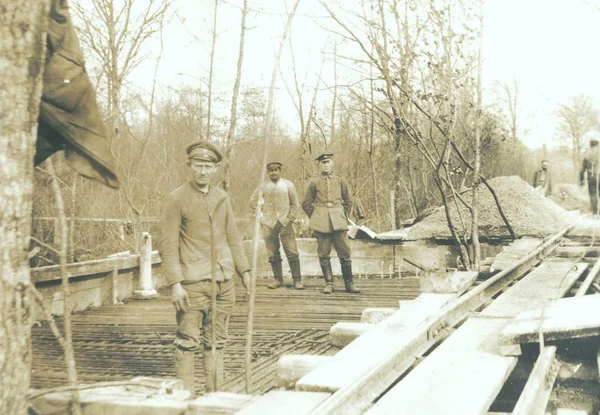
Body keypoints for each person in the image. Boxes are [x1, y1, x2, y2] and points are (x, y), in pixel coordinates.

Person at [158, 140, 251, 395]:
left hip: (224, 283)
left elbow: (233, 236)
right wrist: (175, 285)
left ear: (215, 169)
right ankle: (184, 402)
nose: (203, 172)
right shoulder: (176, 199)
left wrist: (245, 271)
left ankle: (214, 399)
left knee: (217, 343)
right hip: (192, 284)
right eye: (198, 166)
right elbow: (167, 245)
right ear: (189, 166)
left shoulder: (222, 198)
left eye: (208, 167)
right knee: (188, 342)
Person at [302, 151, 360, 294]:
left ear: (332, 163)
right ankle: (329, 283)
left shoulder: (340, 180)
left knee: (345, 253)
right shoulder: (314, 181)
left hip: (339, 221)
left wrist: (342, 215)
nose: (325, 165)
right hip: (321, 223)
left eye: (328, 162)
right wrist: (316, 216)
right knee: (323, 253)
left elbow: (349, 201)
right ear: (319, 164)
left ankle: (349, 283)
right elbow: (306, 203)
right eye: (323, 163)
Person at [249, 161, 304, 290]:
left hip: (285, 222)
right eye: (271, 170)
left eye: (276, 170)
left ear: (280, 171)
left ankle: (297, 280)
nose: (274, 173)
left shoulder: (288, 185)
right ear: (268, 172)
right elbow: (252, 202)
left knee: (292, 252)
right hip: (268, 223)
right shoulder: (263, 186)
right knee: (273, 253)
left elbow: (295, 204)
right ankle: (278, 279)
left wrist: (290, 218)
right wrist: (262, 214)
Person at [580, 138, 600, 215]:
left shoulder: (587, 154)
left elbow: (582, 169)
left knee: (593, 194)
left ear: (590, 145)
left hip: (592, 176)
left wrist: (581, 180)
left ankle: (595, 212)